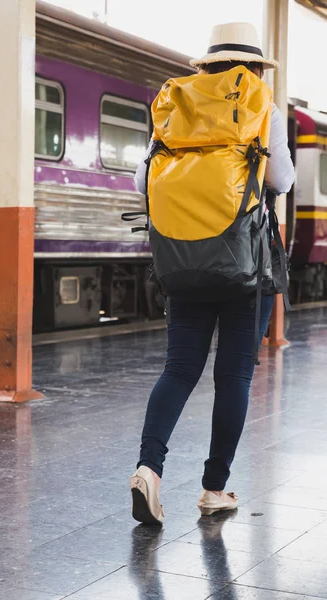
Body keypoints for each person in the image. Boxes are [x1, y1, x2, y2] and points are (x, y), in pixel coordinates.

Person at [129, 22, 295, 524]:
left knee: (178, 370)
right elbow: (283, 179)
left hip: (183, 261)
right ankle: (214, 488)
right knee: (233, 377)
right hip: (246, 266)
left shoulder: (176, 104)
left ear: (207, 64)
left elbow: (143, 179)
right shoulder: (262, 105)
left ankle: (148, 469)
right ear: (254, 67)